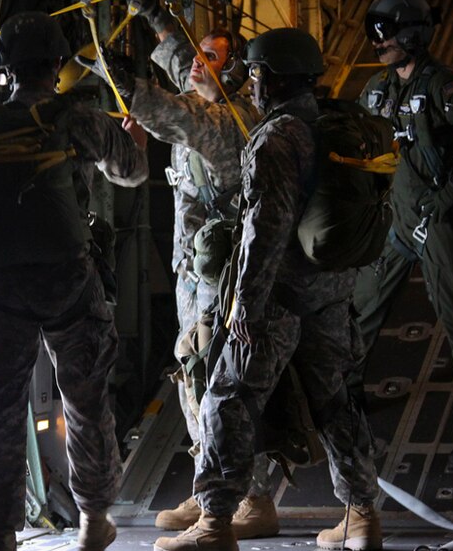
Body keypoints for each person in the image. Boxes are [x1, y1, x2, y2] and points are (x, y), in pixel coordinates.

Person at [0, 11, 148, 551]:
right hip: (70, 281)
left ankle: (0, 533)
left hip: (0, 286)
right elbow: (133, 171)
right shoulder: (78, 119)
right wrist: (129, 143)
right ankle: (94, 522)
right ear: (58, 64)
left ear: (5, 65)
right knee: (87, 400)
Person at [154, 28, 382, 551]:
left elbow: (264, 231)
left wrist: (245, 306)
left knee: (226, 400)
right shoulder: (333, 125)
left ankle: (215, 522)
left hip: (278, 297)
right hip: (331, 291)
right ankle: (362, 517)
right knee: (336, 403)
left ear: (272, 77)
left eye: (256, 72)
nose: (252, 83)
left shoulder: (277, 136)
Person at [79, 0, 279, 538]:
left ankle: (253, 498)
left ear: (234, 72)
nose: (194, 63)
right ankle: (208, 486)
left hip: (225, 274)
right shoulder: (207, 96)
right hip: (195, 271)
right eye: (197, 54)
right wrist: (152, 12)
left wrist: (108, 63)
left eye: (210, 57)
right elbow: (177, 59)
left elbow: (161, 106)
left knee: (223, 384)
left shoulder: (222, 121)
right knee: (193, 377)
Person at [354, 0, 453, 472]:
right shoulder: (377, 90)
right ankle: (342, 400)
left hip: (440, 219)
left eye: (389, 35)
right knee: (359, 312)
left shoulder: (443, 86)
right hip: (395, 221)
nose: (380, 44)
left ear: (413, 35)